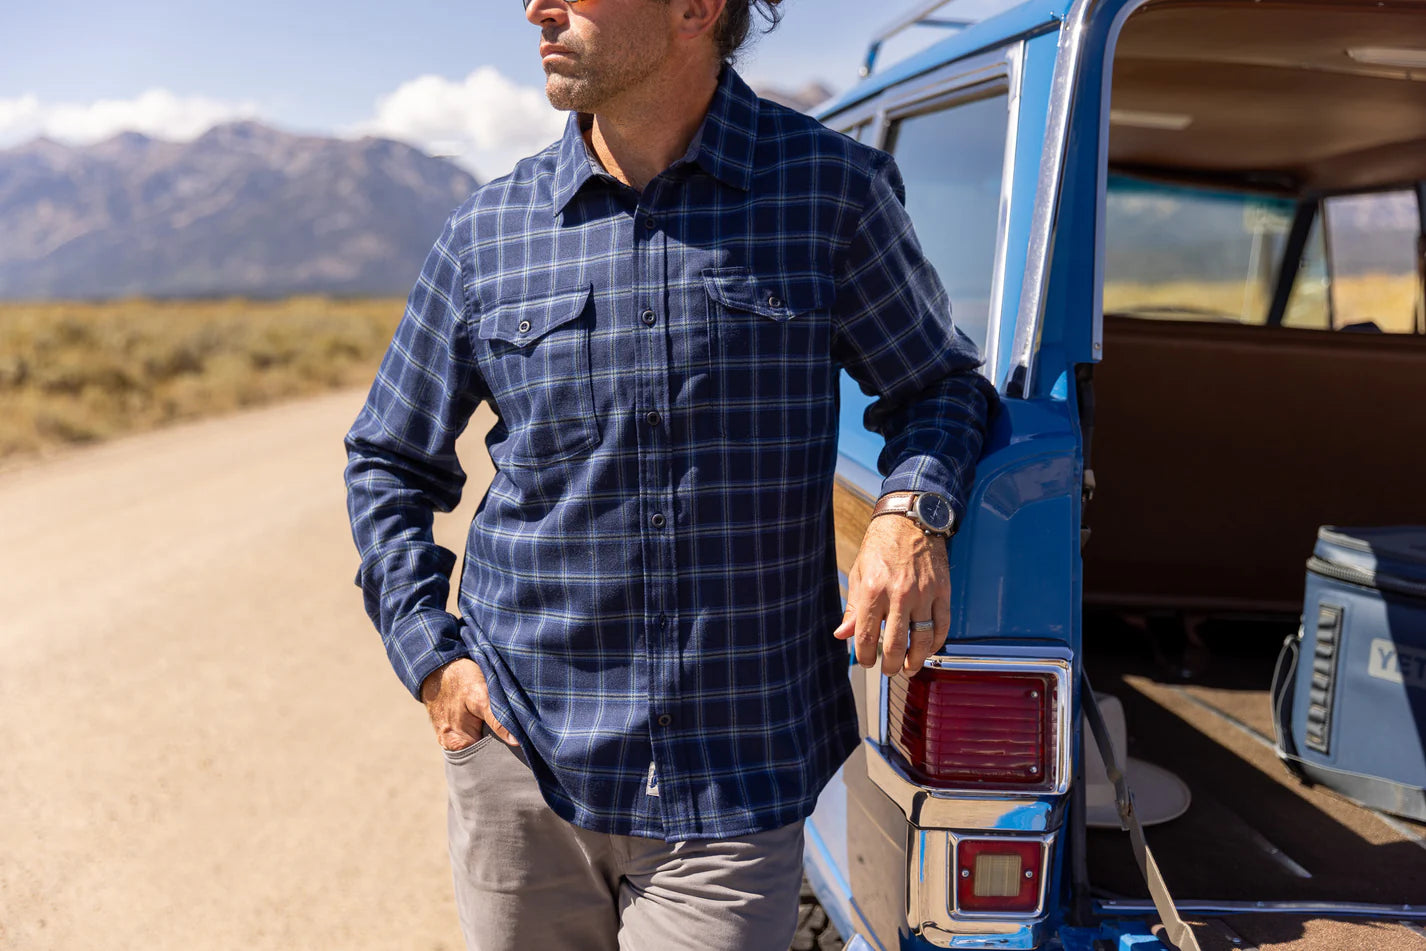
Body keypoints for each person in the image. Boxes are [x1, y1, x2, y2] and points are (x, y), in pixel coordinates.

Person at [342, 0, 998, 948]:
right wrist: (431, 658)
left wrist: (909, 513)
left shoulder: (828, 191)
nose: (537, 7)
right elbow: (388, 457)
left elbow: (937, 385)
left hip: (735, 774)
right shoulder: (489, 231)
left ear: (696, 9)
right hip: (523, 762)